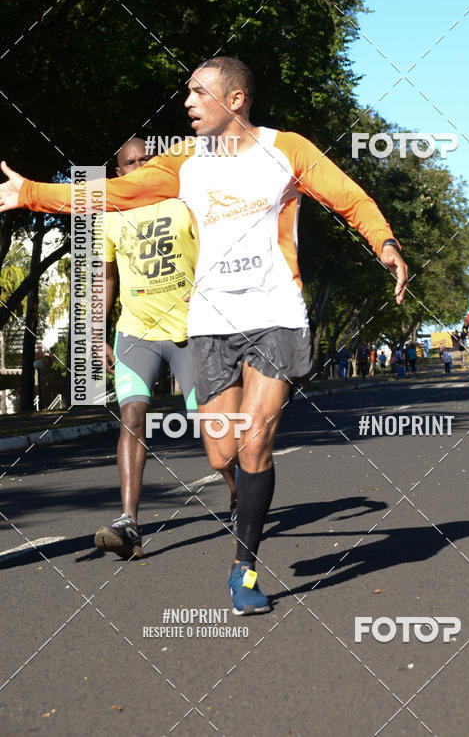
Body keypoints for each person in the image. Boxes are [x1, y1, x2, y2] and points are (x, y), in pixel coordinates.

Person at [0, 55, 408, 616]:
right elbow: (113, 195)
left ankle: (244, 567)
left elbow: (350, 198)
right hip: (212, 324)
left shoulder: (287, 150)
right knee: (222, 448)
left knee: (255, 440)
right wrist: (33, 194)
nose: (187, 103)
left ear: (234, 99)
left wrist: (384, 243)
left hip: (276, 314)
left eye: (197, 93)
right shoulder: (185, 161)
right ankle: (242, 502)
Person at [95, 138, 234, 560]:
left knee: (208, 426)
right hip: (136, 332)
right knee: (132, 416)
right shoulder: (111, 215)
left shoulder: (182, 202)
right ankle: (129, 523)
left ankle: (239, 490)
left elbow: (216, 256)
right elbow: (106, 278)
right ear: (118, 173)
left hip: (192, 333)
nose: (138, 166)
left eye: (144, 159)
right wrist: (96, 333)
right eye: (129, 163)